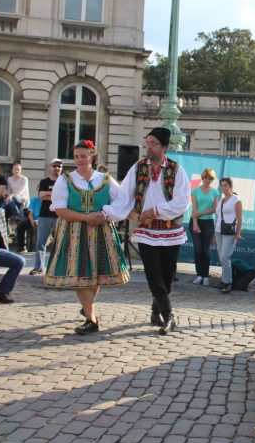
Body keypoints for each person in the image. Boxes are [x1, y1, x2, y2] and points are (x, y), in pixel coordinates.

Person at [104, 128, 190, 335]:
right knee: (153, 275)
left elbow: (182, 201)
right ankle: (169, 316)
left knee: (168, 276)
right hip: (146, 232)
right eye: (147, 143)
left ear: (164, 147)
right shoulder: (138, 168)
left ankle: (155, 309)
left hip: (170, 232)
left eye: (152, 143)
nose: (148, 147)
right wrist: (108, 213)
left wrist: (156, 210)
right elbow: (124, 196)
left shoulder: (176, 170)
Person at [44, 140, 129, 335]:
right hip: (74, 231)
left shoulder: (105, 179)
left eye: (83, 156)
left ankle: (87, 306)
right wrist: (85, 217)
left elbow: (122, 202)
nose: (79, 160)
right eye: (76, 157)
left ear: (92, 156)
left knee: (96, 273)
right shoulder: (65, 180)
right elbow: (60, 209)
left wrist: (105, 214)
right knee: (79, 274)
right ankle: (92, 319)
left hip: (102, 231)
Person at [30, 158, 62, 275]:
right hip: (44, 216)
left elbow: (64, 197)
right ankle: (38, 267)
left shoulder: (64, 182)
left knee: (59, 243)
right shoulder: (44, 182)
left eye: (59, 166)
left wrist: (49, 195)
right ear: (50, 167)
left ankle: (57, 268)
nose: (56, 168)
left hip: (59, 215)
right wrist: (55, 196)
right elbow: (41, 196)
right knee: (41, 243)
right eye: (54, 166)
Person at [190, 168, 219, 286]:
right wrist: (196, 223)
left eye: (210, 178)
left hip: (208, 223)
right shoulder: (195, 191)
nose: (208, 180)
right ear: (202, 178)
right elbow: (194, 209)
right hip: (196, 222)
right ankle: (199, 275)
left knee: (206, 251)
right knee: (198, 249)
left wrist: (201, 213)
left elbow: (214, 209)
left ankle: (206, 276)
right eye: (206, 177)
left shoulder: (215, 192)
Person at [215, 176, 242, 294]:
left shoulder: (236, 199)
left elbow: (240, 218)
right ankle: (224, 280)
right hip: (218, 231)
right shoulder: (221, 200)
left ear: (230, 186)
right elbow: (218, 217)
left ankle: (228, 282)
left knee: (225, 257)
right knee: (221, 257)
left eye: (225, 185)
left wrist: (238, 233)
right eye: (221, 185)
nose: (223, 188)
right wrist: (214, 235)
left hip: (230, 232)